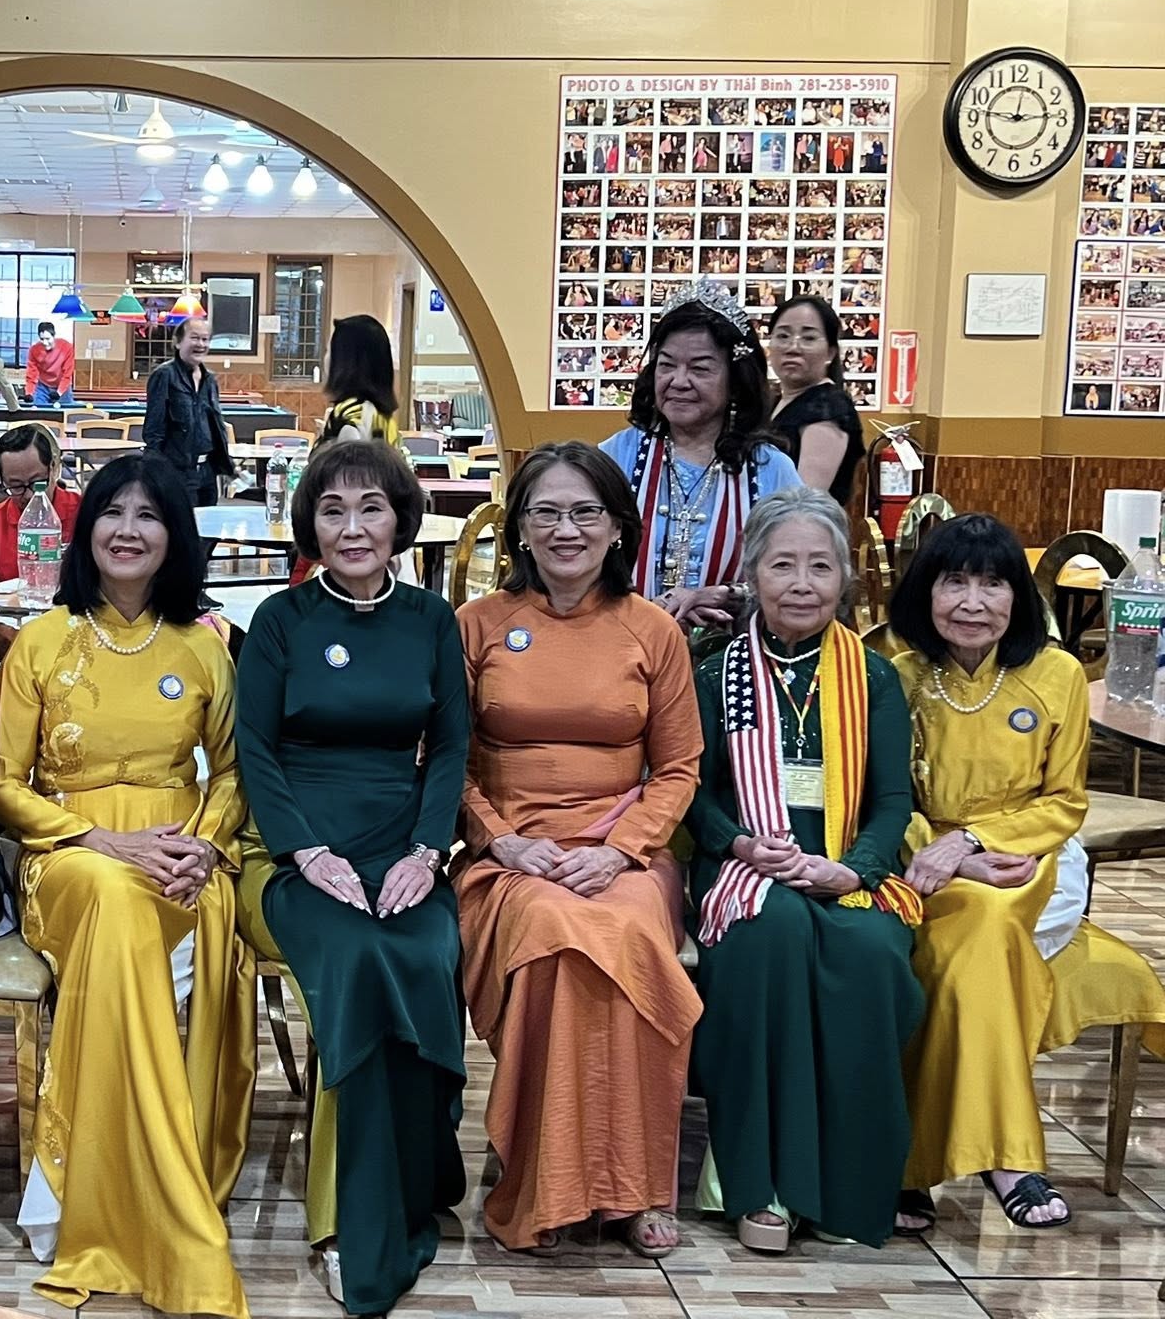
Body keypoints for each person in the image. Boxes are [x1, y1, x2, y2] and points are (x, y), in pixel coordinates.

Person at [0, 452, 252, 1317]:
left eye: (149, 516)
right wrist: (100, 839)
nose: (128, 531)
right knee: (112, 894)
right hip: (69, 854)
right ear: (85, 527)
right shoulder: (42, 641)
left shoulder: (203, 648)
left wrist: (203, 846)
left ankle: (101, 1183)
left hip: (183, 853)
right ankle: (145, 1189)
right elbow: (1, 785)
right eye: (112, 512)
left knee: (147, 900)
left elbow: (233, 773)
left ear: (175, 536)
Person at [454, 441, 702, 1257]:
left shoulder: (652, 629)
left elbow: (679, 767)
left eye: (585, 511)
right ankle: (546, 1175)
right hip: (509, 857)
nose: (567, 529)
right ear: (520, 528)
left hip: (622, 854)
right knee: (552, 937)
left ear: (617, 525)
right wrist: (502, 842)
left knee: (624, 935)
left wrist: (622, 850)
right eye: (547, 512)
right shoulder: (476, 625)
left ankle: (635, 1185)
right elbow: (445, 763)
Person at [235, 442, 467, 1314]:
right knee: (363, 963)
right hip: (294, 851)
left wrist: (427, 852)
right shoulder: (280, 619)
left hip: (402, 845)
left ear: (402, 520)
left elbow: (451, 747)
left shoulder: (432, 619)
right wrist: (305, 852)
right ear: (311, 526)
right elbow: (254, 751)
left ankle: (415, 1177)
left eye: (372, 508)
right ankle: (358, 1224)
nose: (354, 527)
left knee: (425, 951)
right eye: (332, 510)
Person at [890, 515, 1165, 1233]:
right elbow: (881, 795)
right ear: (926, 591)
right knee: (972, 942)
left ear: (1019, 596)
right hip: (920, 858)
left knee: (983, 926)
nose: (973, 602)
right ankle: (1005, 1157)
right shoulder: (899, 672)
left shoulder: (1057, 673)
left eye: (993, 584)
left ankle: (911, 1165)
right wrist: (941, 848)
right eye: (954, 581)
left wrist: (975, 841)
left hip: (1027, 857)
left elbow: (1064, 802)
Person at [686, 487, 924, 1252]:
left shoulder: (875, 678)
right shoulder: (715, 674)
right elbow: (693, 794)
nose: (801, 583)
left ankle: (847, 1187)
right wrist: (739, 845)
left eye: (820, 566)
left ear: (844, 579)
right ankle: (761, 1184)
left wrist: (854, 871)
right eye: (782, 565)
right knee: (773, 933)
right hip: (743, 865)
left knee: (872, 953)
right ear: (752, 574)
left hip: (848, 867)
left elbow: (893, 800)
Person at [600, 282, 801, 631]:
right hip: (624, 643)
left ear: (735, 381)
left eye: (700, 368)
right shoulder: (617, 456)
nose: (679, 381)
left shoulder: (769, 469)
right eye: (667, 365)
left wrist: (726, 595)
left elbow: (797, 571)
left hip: (731, 650)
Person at [766, 296, 866, 505]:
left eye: (809, 338)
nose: (793, 347)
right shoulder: (775, 401)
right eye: (783, 336)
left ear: (830, 352)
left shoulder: (827, 409)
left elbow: (803, 501)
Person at [0, 425, 83, 582]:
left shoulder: (84, 513)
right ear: (2, 482)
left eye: (38, 483)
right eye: (16, 486)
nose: (30, 495)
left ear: (53, 469)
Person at [143, 316, 235, 508]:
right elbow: (153, 431)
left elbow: (215, 425)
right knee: (182, 525)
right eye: (194, 338)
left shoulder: (210, 380)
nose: (200, 344)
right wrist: (155, 474)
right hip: (176, 472)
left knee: (209, 524)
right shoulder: (164, 375)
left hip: (208, 472)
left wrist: (228, 465)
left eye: (205, 339)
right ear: (177, 342)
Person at [313, 315, 403, 448]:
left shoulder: (349, 417)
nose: (326, 358)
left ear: (345, 361)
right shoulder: (384, 418)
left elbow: (349, 459)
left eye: (329, 351)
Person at [25, 320, 76, 406]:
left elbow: (67, 374)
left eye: (48, 339)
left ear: (54, 336)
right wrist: (29, 393)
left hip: (62, 386)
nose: (45, 343)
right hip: (43, 387)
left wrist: (59, 392)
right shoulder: (34, 350)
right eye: (42, 339)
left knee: (65, 412)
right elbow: (31, 374)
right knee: (38, 410)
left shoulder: (67, 347)